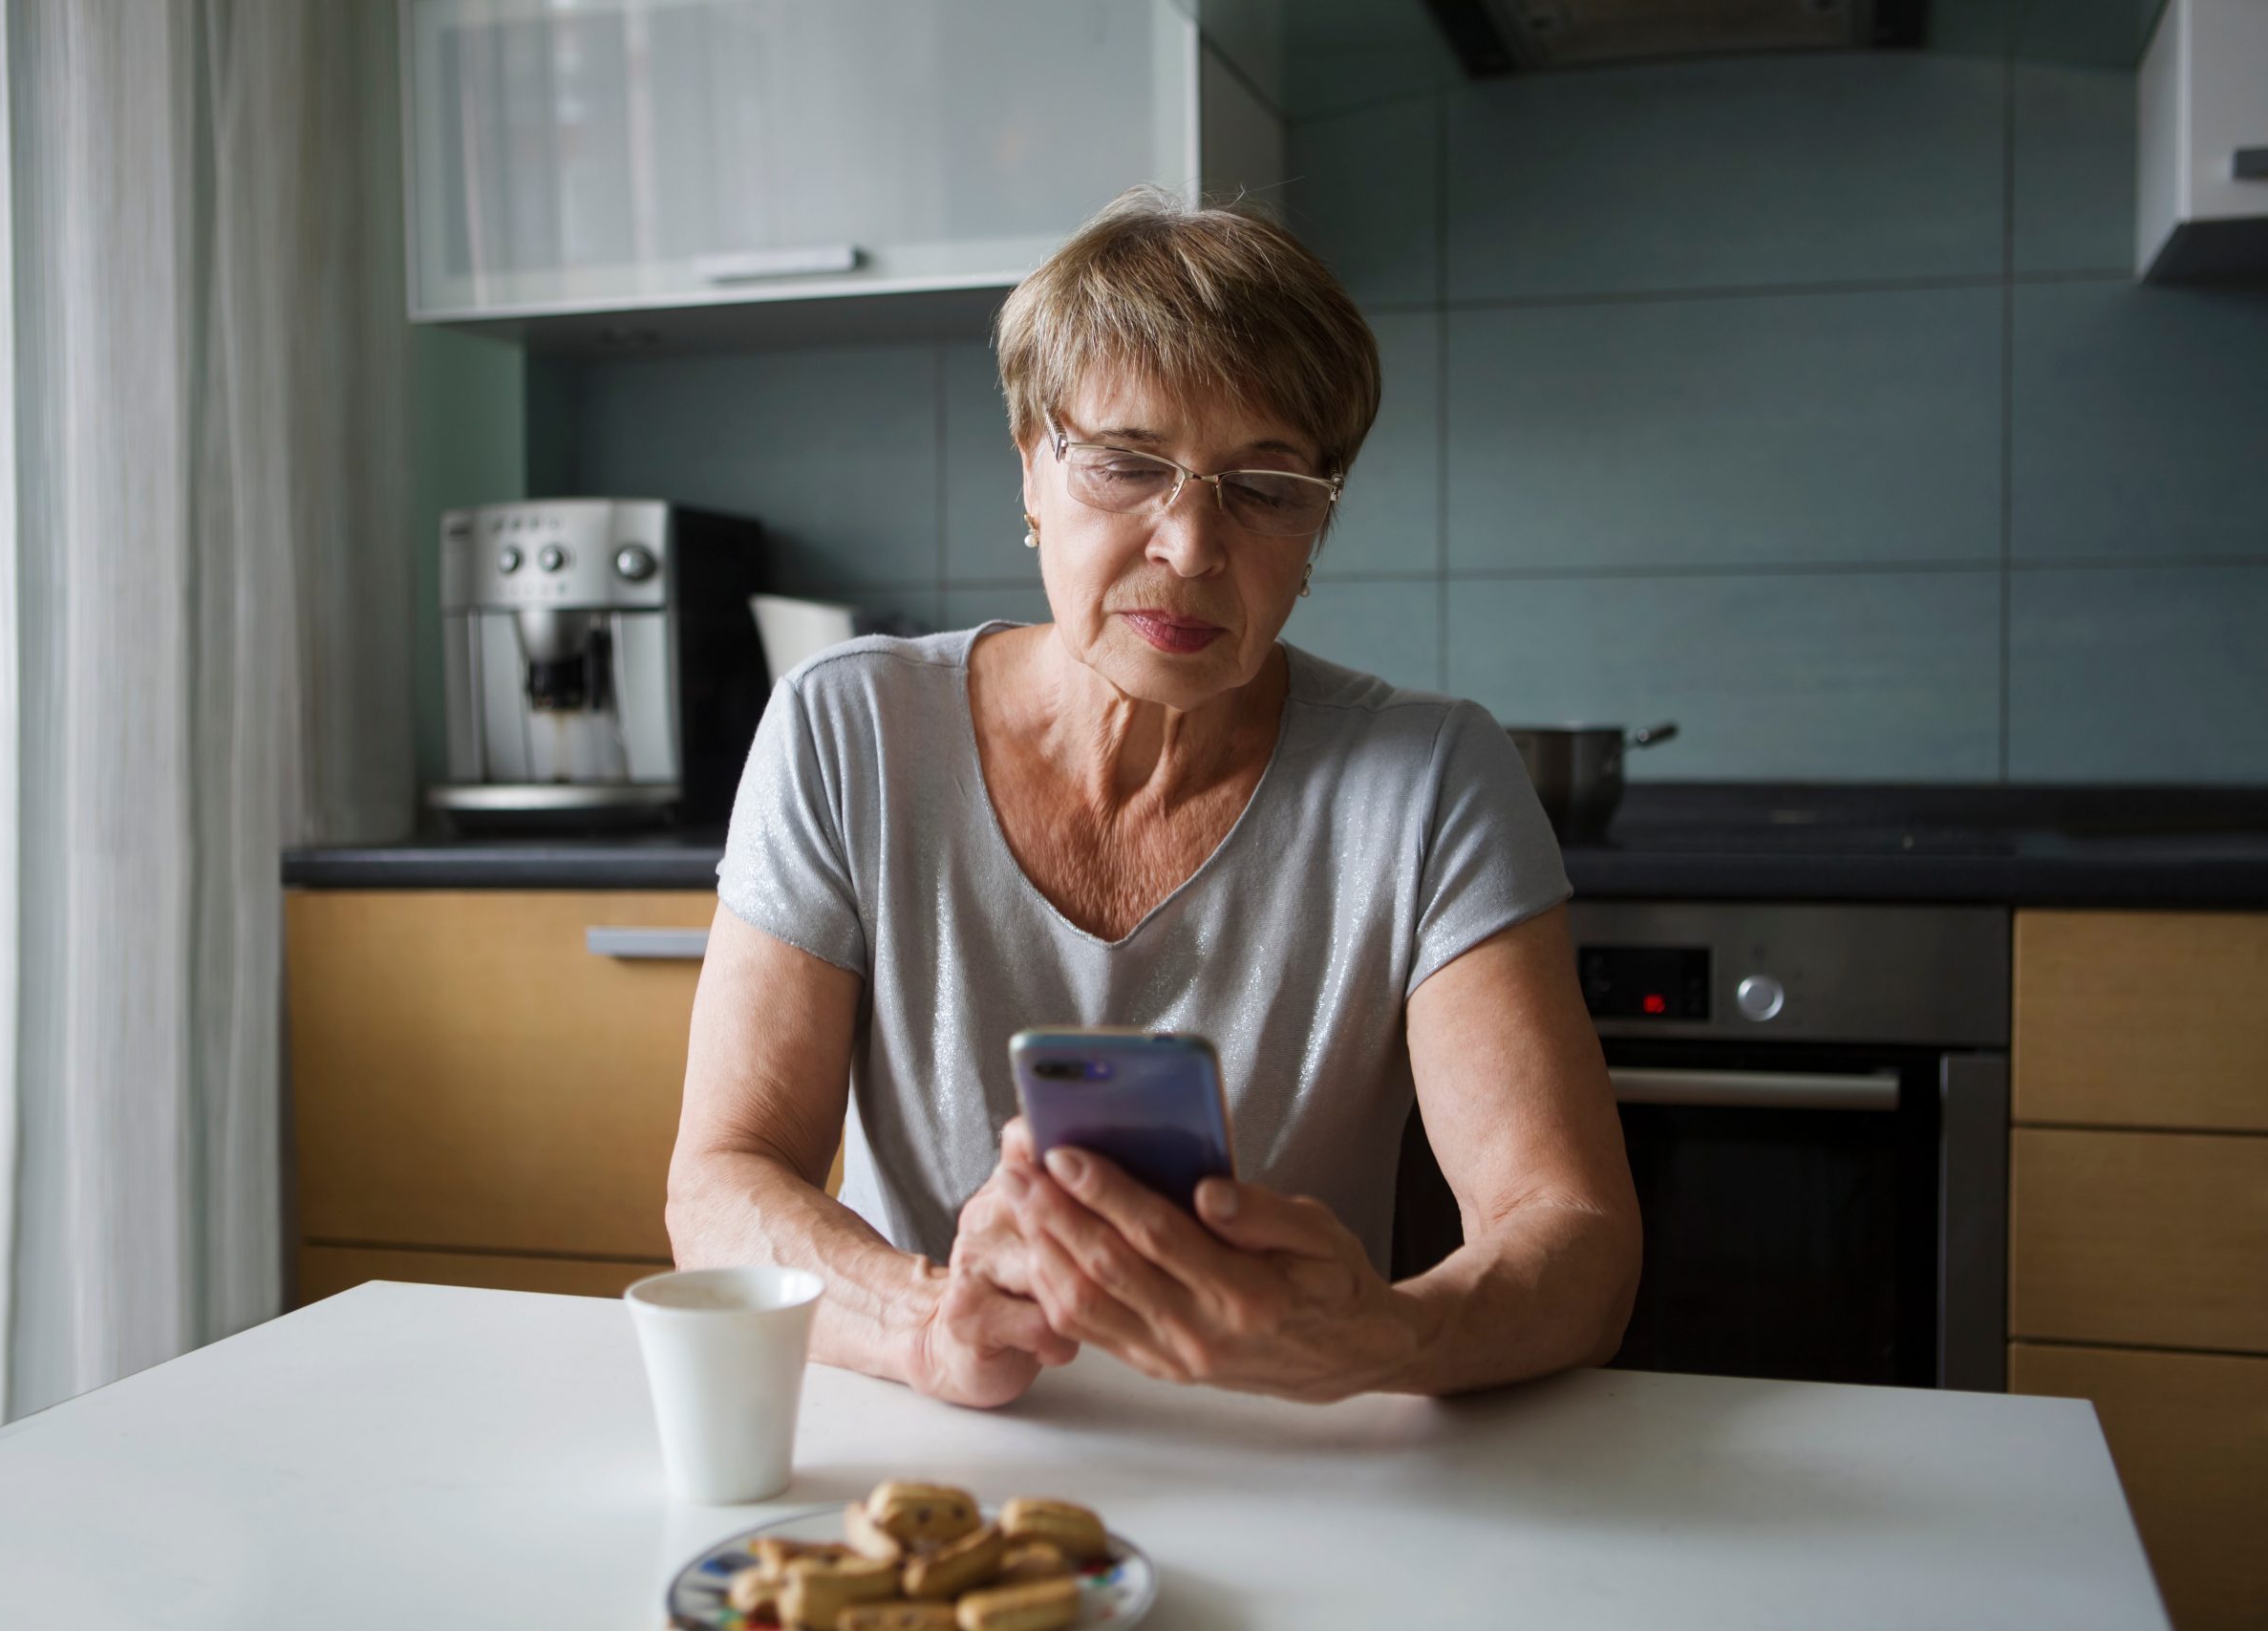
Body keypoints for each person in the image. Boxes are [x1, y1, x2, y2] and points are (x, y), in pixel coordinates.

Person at [668, 185, 1639, 1408]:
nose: (1188, 545)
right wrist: (928, 1327)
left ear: (1317, 526)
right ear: (1032, 472)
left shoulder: (1433, 781)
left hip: (1302, 1458)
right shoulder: (844, 731)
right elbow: (721, 1178)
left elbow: (1575, 1238)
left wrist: (1386, 1340)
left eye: (1267, 486)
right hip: (941, 1446)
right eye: (1127, 466)